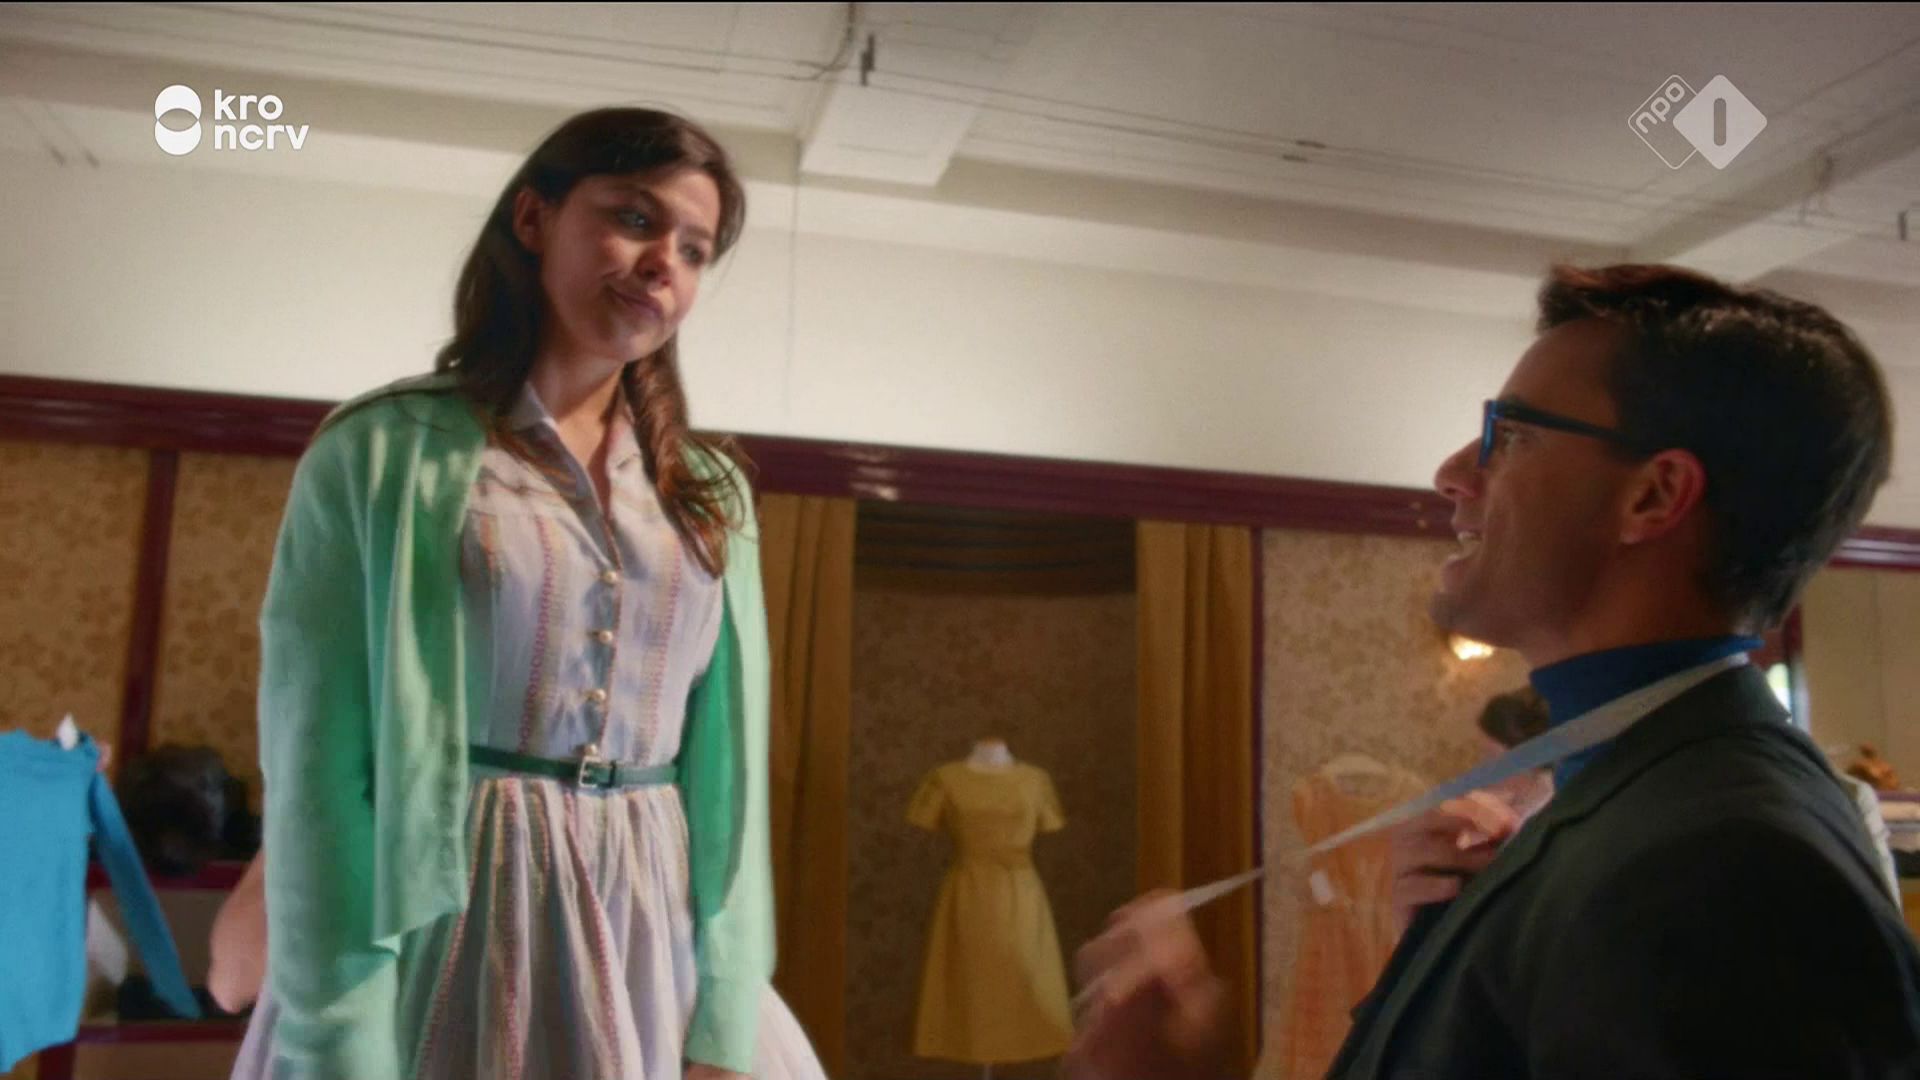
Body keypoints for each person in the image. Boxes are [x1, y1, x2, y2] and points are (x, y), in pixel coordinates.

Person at [1067, 264, 1920, 1079]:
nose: (1451, 474)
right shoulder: (1623, 799)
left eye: (1508, 437)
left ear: (1654, 497)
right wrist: (1463, 950)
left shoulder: (1726, 870)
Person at [246, 107, 823, 1080]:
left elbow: (731, 778)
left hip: (650, 924)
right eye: (634, 219)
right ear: (532, 219)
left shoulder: (711, 494)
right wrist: (338, 1037)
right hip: (450, 917)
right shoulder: (379, 452)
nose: (665, 263)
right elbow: (317, 774)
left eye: (694, 249)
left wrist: (724, 1009)